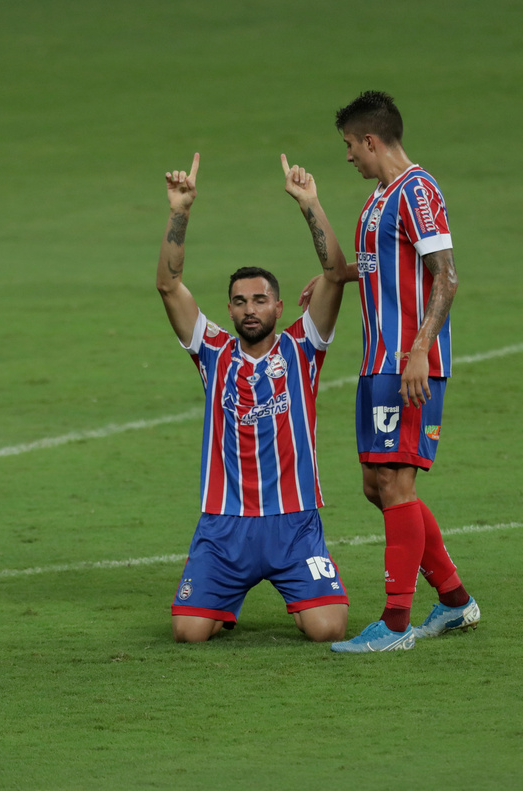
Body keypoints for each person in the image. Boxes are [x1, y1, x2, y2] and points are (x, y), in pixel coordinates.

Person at [300, 90, 479, 652]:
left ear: (371, 140)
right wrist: (336, 270)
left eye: (350, 145)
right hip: (377, 362)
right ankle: (454, 602)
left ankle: (396, 625)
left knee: (396, 485)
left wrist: (421, 349)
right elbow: (381, 262)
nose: (348, 155)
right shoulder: (379, 198)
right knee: (377, 489)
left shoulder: (418, 191)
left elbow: (445, 276)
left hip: (407, 365)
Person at [157, 152, 355, 643]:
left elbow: (334, 275)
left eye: (260, 300)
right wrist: (179, 211)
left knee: (329, 629)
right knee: (188, 633)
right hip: (224, 528)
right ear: (229, 308)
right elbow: (168, 284)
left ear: (279, 306)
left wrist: (310, 203)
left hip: (293, 524)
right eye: (241, 301)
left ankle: (294, 594)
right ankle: (221, 600)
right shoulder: (212, 352)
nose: (250, 309)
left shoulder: (304, 347)